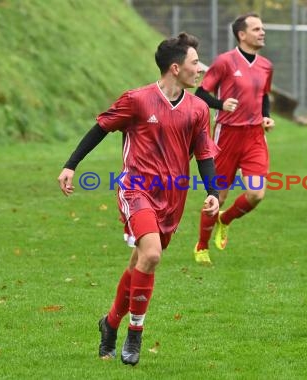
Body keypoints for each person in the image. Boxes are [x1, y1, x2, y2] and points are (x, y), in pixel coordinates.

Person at [57, 32, 219, 366]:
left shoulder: (199, 108)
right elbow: (100, 128)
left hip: (173, 197)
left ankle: (110, 322)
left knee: (140, 263)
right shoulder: (137, 100)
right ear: (175, 68)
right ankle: (135, 332)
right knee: (152, 255)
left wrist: (214, 192)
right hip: (137, 189)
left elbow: (204, 155)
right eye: (194, 63)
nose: (200, 69)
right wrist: (71, 165)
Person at [192, 12, 275, 264]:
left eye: (263, 28)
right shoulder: (225, 62)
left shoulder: (266, 65)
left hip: (254, 137)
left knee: (256, 194)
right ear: (242, 34)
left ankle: (225, 220)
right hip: (226, 136)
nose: (262, 32)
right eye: (257, 29)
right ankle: (202, 246)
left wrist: (266, 116)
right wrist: (220, 103)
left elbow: (264, 96)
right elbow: (200, 93)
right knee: (217, 196)